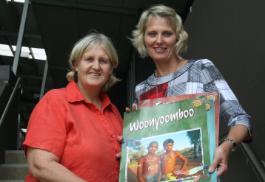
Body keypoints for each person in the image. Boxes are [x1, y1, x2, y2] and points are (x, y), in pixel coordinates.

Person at [131, 4, 252, 177]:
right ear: (143, 39)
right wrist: (130, 140)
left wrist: (226, 145)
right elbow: (146, 141)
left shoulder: (200, 68)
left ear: (177, 38)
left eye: (167, 33)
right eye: (152, 34)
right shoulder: (141, 90)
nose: (159, 40)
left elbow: (241, 119)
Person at [23, 32, 123, 182]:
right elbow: (40, 164)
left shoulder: (114, 112)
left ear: (111, 69)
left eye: (103, 61)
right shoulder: (56, 101)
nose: (96, 66)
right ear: (76, 65)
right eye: (89, 59)